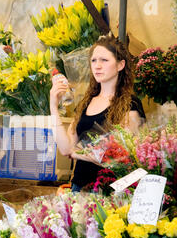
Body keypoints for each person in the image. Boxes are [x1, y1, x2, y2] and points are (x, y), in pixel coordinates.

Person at [50, 33, 146, 192]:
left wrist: (78, 153)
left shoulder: (130, 104)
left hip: (111, 191)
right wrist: (54, 107)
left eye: (104, 60)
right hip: (79, 189)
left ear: (120, 65)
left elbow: (120, 157)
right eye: (94, 60)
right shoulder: (85, 103)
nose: (97, 65)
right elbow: (66, 148)